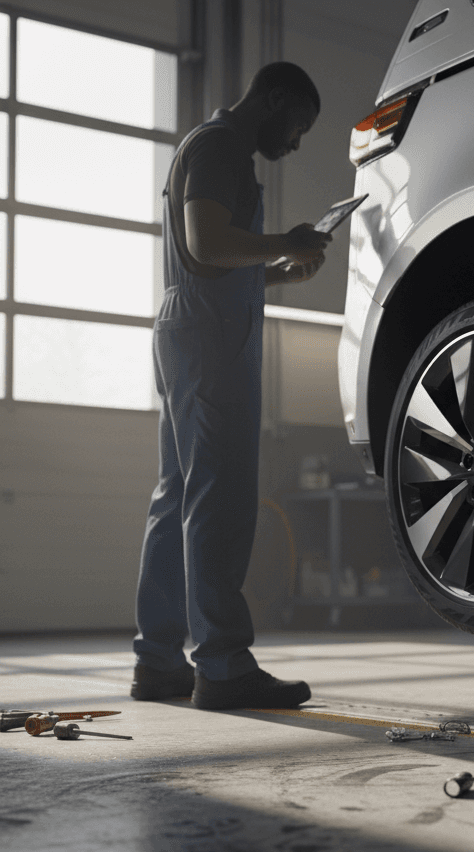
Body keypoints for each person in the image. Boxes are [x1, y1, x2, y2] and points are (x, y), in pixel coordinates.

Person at [132, 62, 330, 710]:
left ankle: (159, 662)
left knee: (179, 496)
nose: (295, 142)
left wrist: (276, 272)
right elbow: (207, 242)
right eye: (297, 124)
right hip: (211, 336)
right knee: (218, 499)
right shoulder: (222, 146)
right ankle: (220, 664)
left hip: (191, 324)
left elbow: (208, 260)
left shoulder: (207, 145)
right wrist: (288, 239)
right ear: (272, 98)